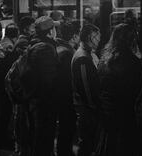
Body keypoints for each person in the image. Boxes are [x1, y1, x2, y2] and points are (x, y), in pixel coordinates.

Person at [97, 23, 142, 156]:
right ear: (132, 40)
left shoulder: (104, 60)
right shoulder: (133, 62)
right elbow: (139, 90)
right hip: (126, 116)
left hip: (108, 115)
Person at [28, 16, 60, 156]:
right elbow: (48, 80)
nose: (56, 31)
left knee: (39, 135)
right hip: (44, 102)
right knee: (44, 136)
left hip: (36, 99)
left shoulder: (36, 45)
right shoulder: (45, 49)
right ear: (49, 31)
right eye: (54, 28)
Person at [71, 23, 101, 156]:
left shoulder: (87, 54)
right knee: (87, 143)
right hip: (87, 109)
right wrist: (94, 106)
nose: (99, 41)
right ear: (90, 37)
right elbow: (86, 88)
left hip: (88, 108)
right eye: (97, 38)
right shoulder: (83, 57)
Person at [55, 21, 80, 156]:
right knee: (67, 127)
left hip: (59, 95)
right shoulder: (68, 53)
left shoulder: (58, 48)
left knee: (64, 128)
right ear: (74, 36)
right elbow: (68, 80)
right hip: (66, 97)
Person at [12, 16, 35, 156]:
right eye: (33, 27)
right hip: (22, 87)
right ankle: (22, 148)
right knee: (23, 119)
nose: (35, 29)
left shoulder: (24, 41)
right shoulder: (23, 42)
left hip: (22, 86)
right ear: (26, 28)